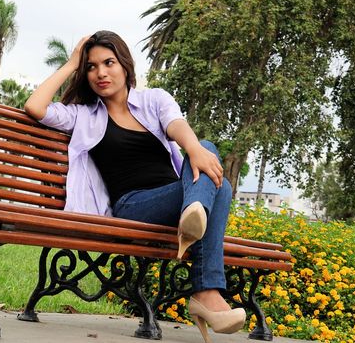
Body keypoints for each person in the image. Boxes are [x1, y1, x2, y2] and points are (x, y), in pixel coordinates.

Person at [24, 30, 245, 341]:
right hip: (133, 205)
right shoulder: (83, 116)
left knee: (205, 148)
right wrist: (71, 62)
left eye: (109, 62)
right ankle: (205, 288)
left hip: (174, 196)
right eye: (91, 66)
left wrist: (193, 148)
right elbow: (35, 107)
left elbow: (176, 123)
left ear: (125, 65)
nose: (100, 72)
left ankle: (192, 219)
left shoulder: (153, 99)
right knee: (220, 187)